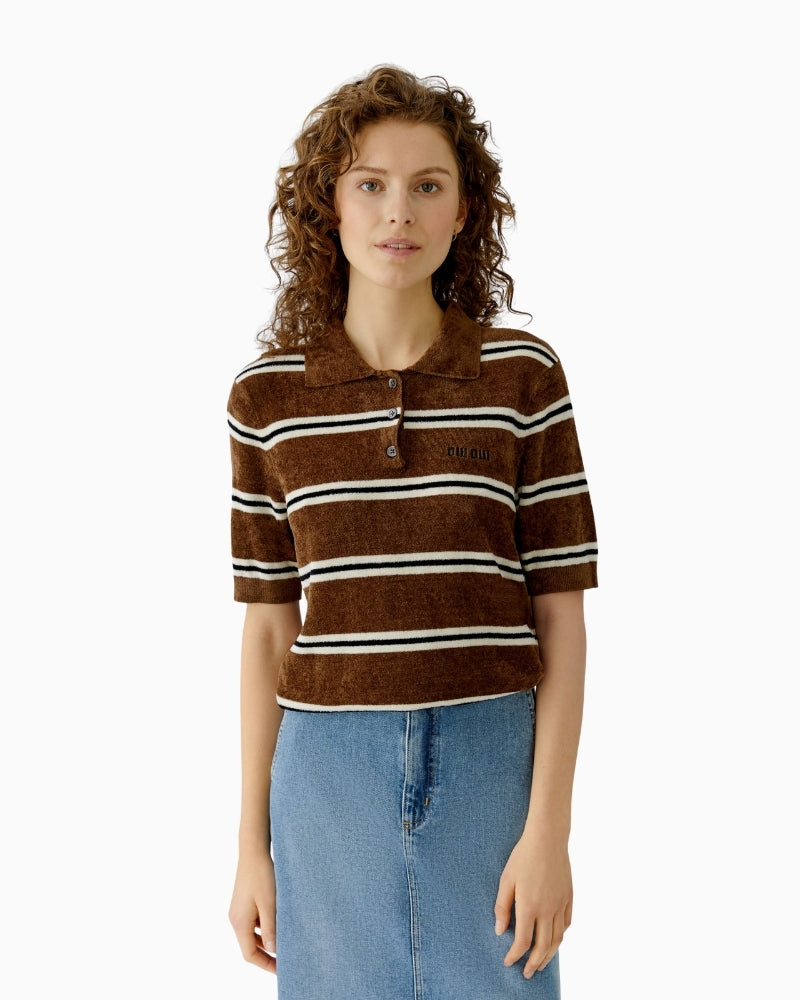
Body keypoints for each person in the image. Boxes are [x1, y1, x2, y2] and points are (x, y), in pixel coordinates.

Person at [227, 65, 598, 999]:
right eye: (371, 183)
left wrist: (549, 832)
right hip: (324, 783)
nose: (400, 211)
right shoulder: (266, 400)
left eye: (428, 185)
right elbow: (268, 628)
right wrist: (250, 846)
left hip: (491, 767)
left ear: (465, 210)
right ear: (330, 206)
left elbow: (560, 617)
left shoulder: (523, 378)